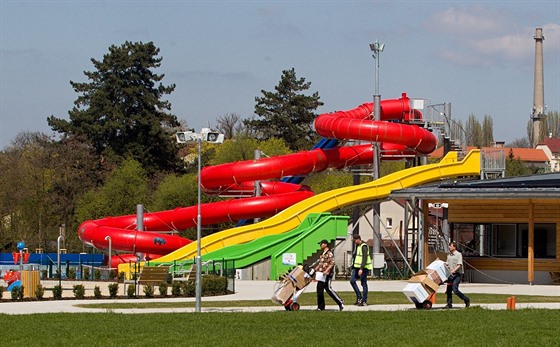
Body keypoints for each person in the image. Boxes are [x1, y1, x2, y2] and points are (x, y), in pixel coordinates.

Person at [314, 239, 344, 311]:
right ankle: (320, 307)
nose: (320, 245)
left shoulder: (329, 253)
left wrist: (327, 270)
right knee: (319, 290)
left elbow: (332, 263)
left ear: (325, 244)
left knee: (328, 289)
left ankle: (340, 302)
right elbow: (321, 263)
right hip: (321, 275)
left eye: (321, 244)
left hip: (327, 274)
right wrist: (316, 269)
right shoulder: (322, 254)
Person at [445, 241, 470, 308]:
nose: (449, 247)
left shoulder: (458, 254)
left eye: (450, 246)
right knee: (449, 290)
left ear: (454, 247)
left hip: (456, 275)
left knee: (455, 289)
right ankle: (449, 304)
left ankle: (466, 299)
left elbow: (459, 265)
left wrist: (453, 271)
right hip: (450, 275)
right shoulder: (449, 255)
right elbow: (446, 264)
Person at [350, 234, 372, 306]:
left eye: (355, 240)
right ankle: (359, 297)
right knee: (352, 281)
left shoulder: (364, 246)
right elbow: (356, 257)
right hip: (356, 267)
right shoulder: (357, 246)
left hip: (363, 268)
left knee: (363, 283)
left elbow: (364, 258)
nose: (354, 242)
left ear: (358, 239)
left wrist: (361, 269)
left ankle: (364, 301)